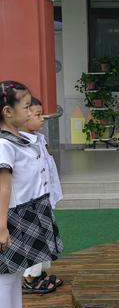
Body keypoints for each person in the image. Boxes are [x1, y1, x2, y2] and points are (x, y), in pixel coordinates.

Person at [0, 81, 63, 308]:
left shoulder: (21, 138)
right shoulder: (4, 145)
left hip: (29, 210)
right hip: (13, 215)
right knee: (4, 277)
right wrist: (1, 225)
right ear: (7, 111)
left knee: (14, 274)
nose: (30, 111)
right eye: (25, 107)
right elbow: (3, 188)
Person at [20, 97, 64, 295]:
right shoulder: (17, 144)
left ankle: (38, 274)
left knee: (45, 238)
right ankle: (28, 277)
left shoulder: (39, 138)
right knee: (34, 240)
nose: (42, 119)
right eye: (38, 115)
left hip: (43, 198)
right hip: (29, 202)